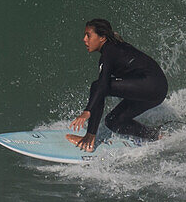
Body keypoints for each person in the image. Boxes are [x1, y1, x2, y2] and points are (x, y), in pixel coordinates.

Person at [67, 18, 168, 151]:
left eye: (88, 35)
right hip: (158, 90)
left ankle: (89, 140)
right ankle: (156, 135)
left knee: (97, 86)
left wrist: (88, 111)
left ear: (102, 37)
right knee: (113, 121)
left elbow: (102, 86)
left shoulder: (109, 51)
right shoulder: (114, 47)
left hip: (150, 85)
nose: (84, 39)